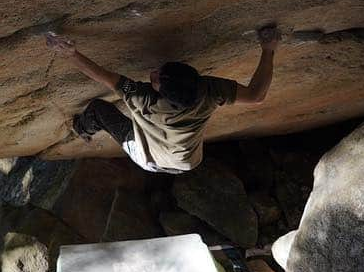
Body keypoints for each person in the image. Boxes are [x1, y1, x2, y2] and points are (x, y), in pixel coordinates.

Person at [45, 26, 280, 174]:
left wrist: (71, 54)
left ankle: (81, 129)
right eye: (161, 71)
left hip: (147, 157)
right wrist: (268, 49)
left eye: (157, 79)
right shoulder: (210, 90)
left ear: (161, 93)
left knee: (97, 109)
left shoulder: (142, 99)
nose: (154, 74)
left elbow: (104, 76)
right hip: (185, 161)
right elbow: (256, 95)